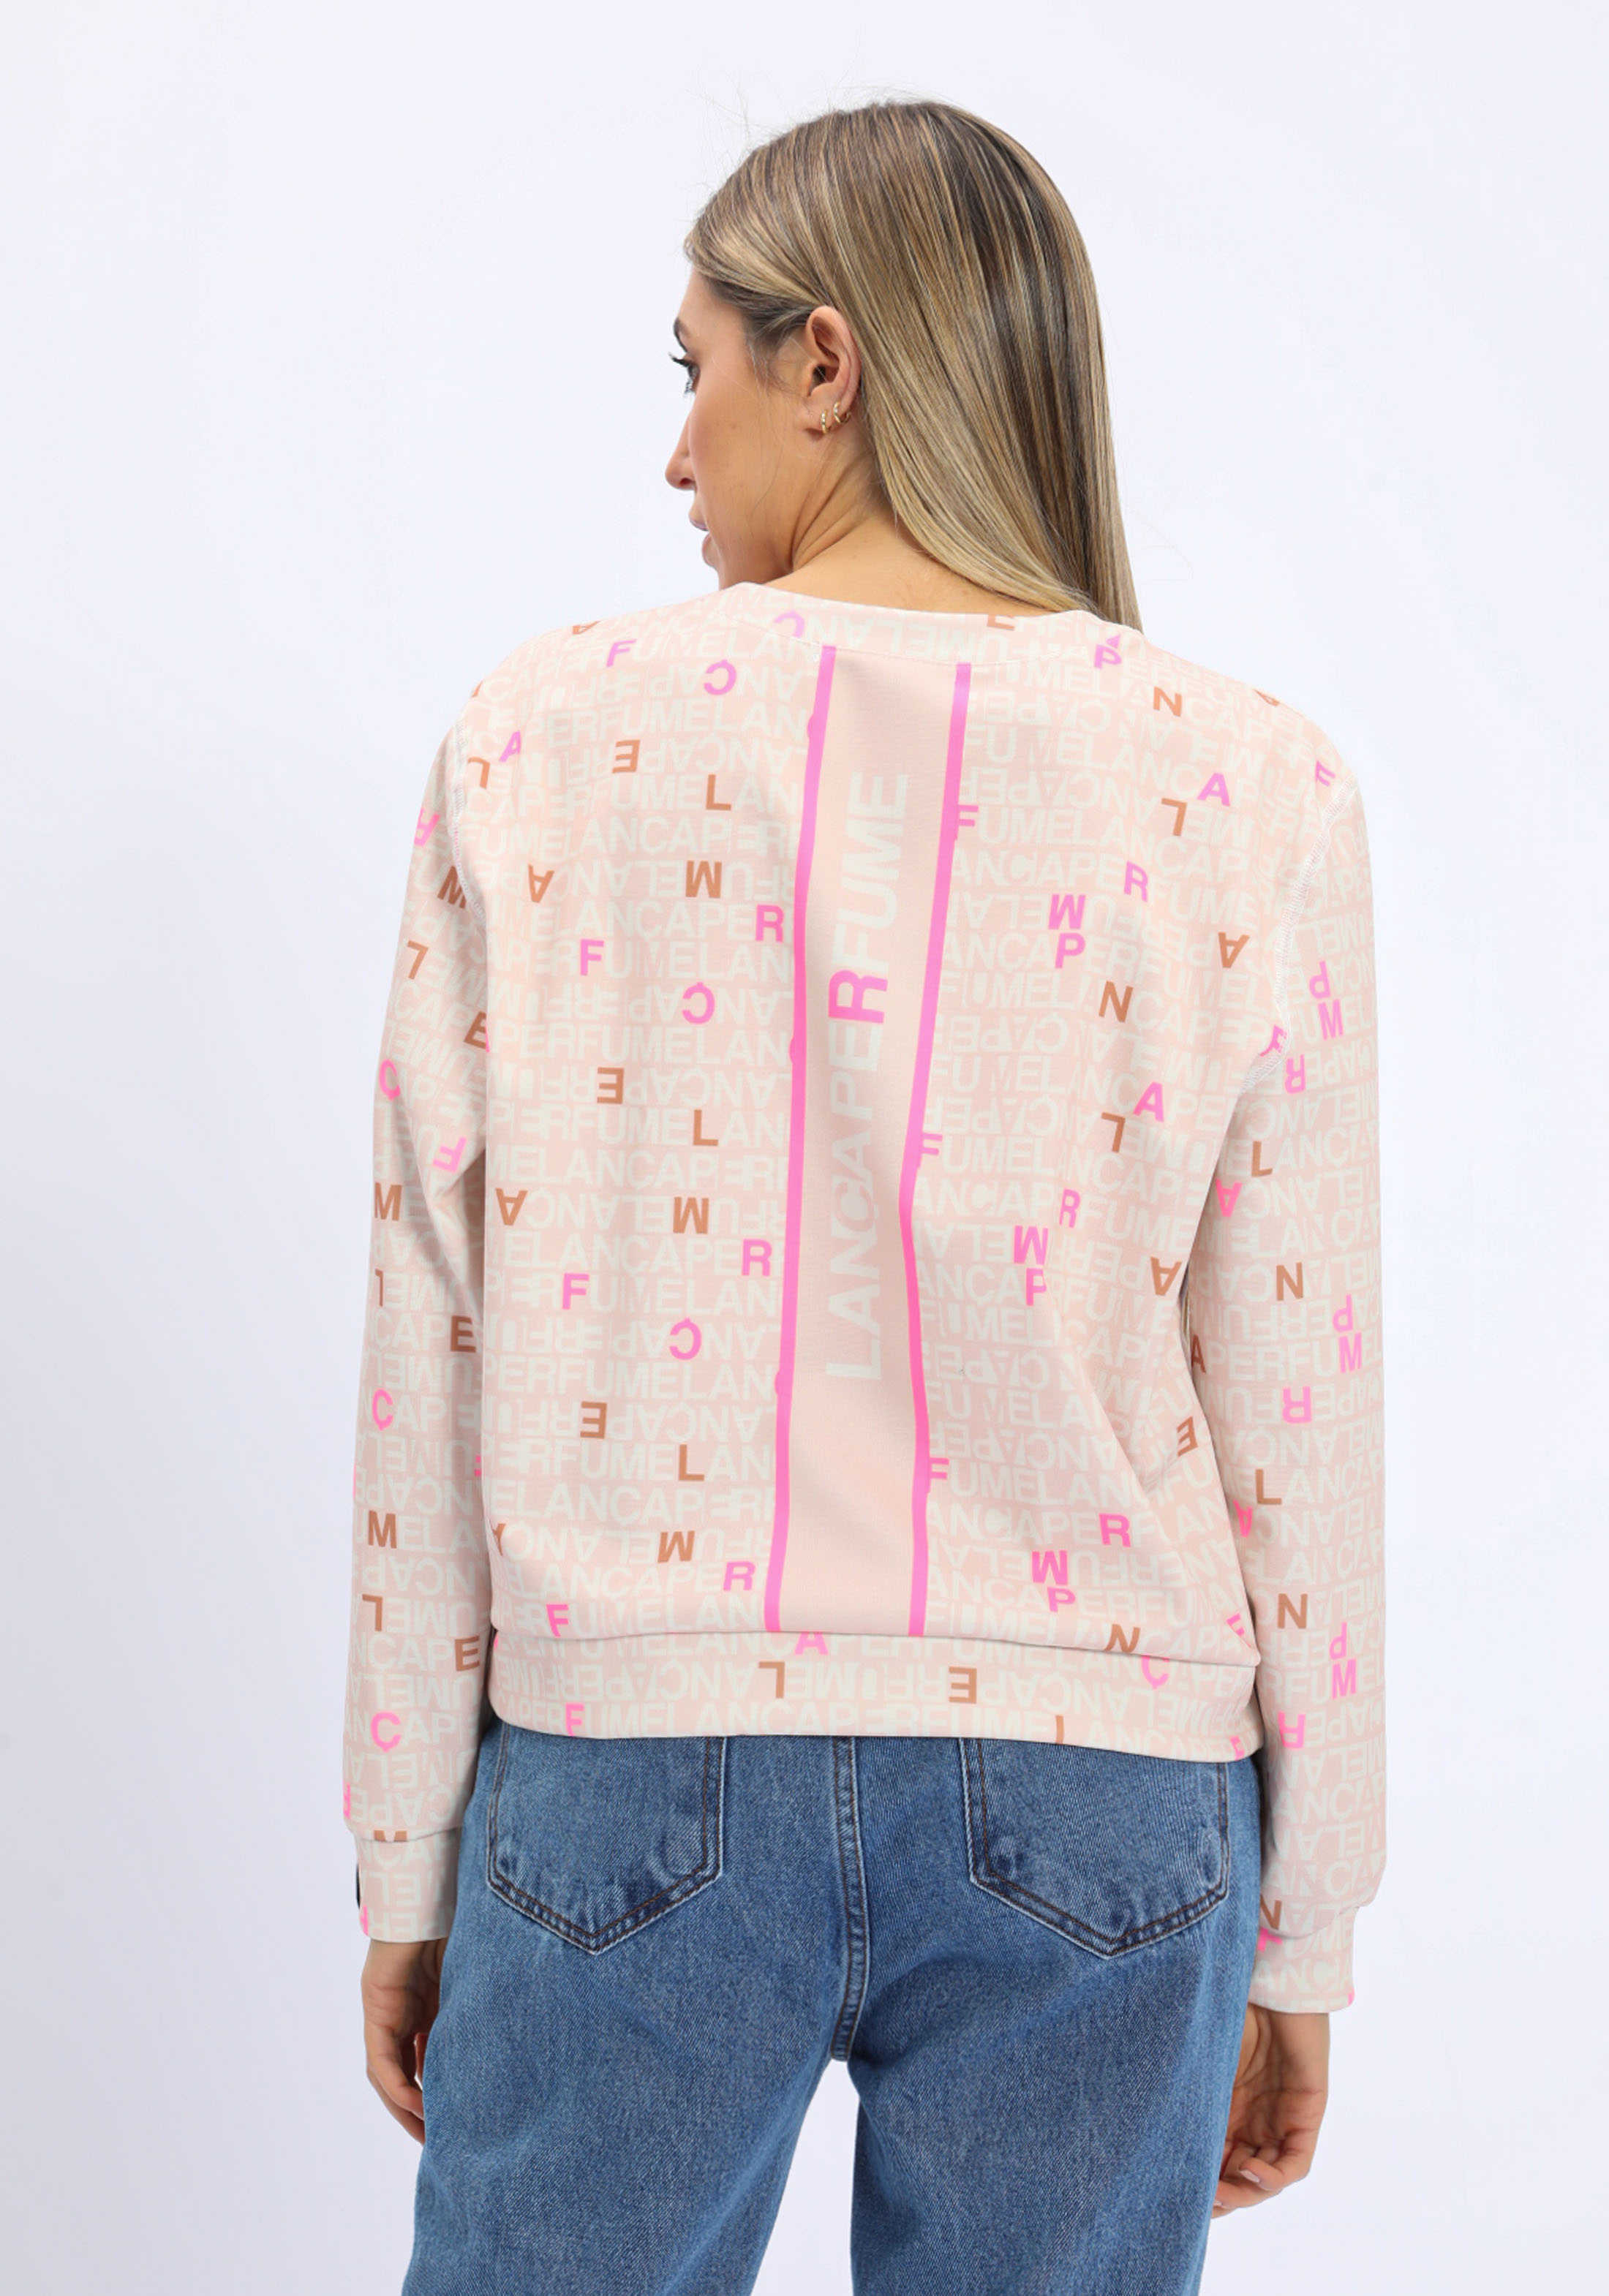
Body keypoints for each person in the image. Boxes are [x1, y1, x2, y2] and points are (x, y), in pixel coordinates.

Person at [344, 97, 1384, 2296]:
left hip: (634, 1756)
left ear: (823, 361)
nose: (676, 450)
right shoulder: (1250, 782)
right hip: (1109, 1787)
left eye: (694, 367)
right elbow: (1298, 1386)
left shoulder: (540, 738)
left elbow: (434, 1327)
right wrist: (1310, 1919)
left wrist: (408, 1853)